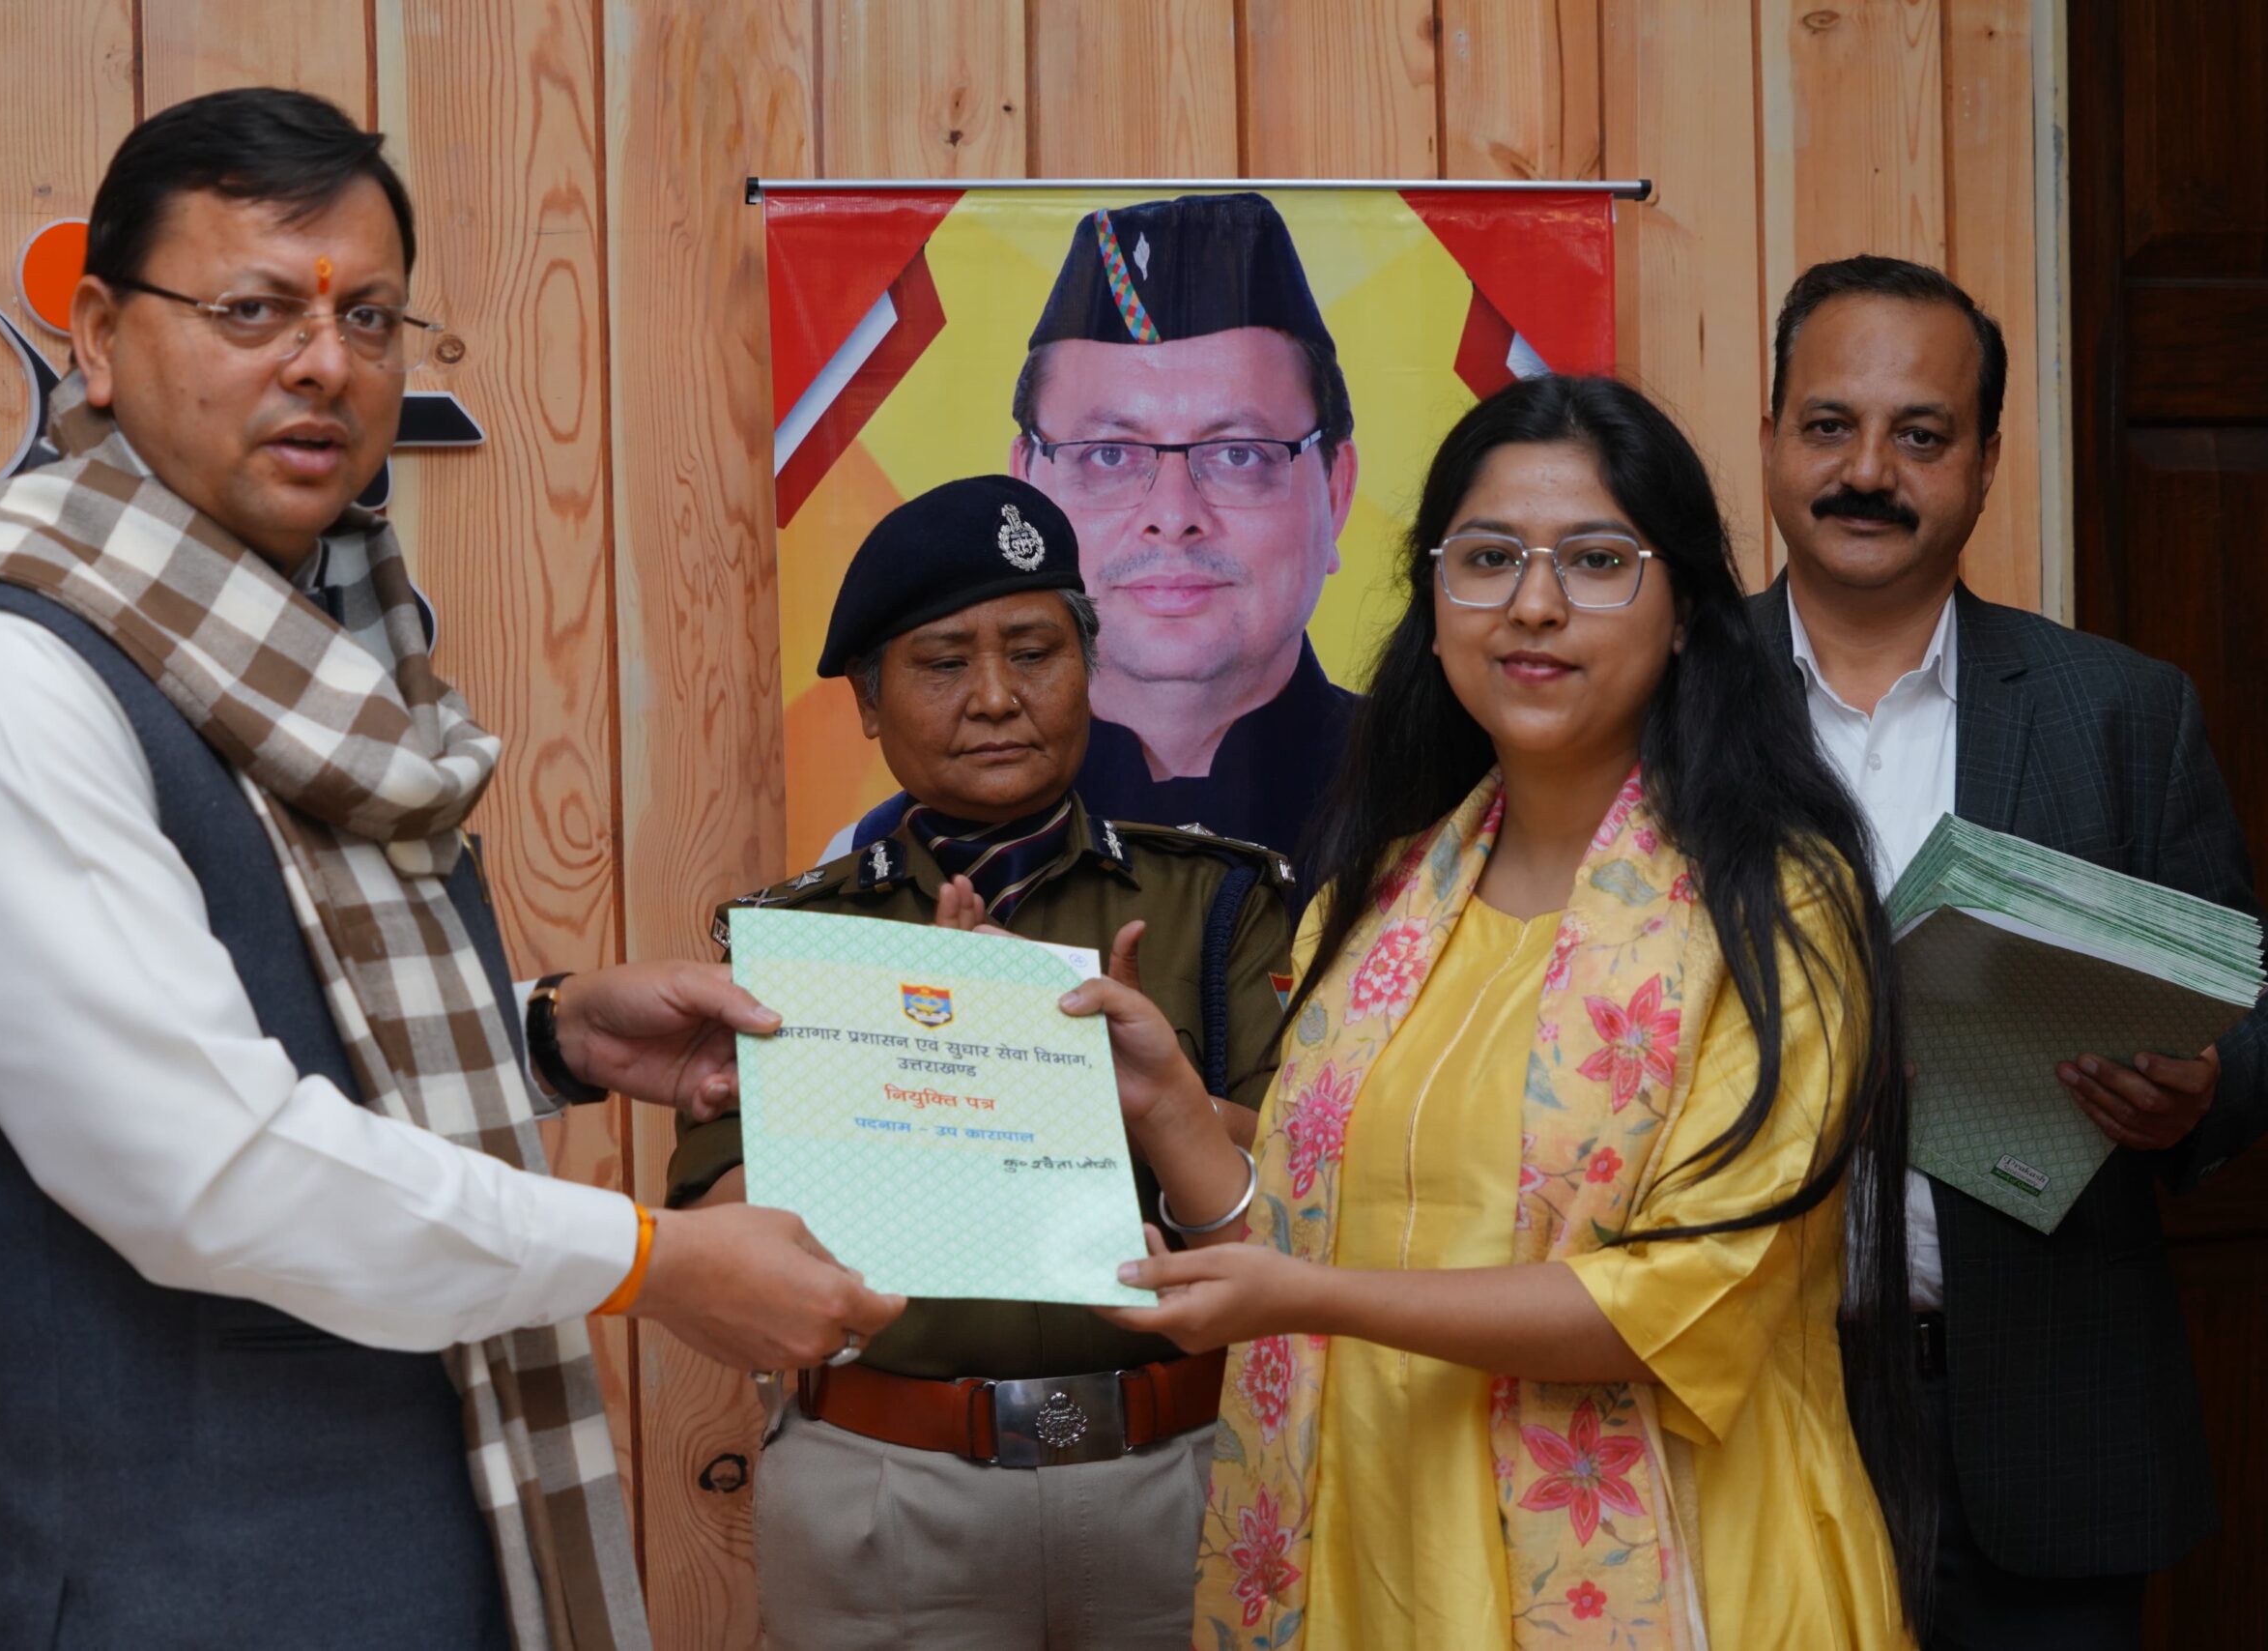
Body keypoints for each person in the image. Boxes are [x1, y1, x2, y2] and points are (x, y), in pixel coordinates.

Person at [0, 88, 902, 1651]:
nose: (326, 362)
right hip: (165, 1593)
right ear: (101, 337)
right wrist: (651, 1258)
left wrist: (545, 1031)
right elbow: (205, 1166)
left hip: (415, 1559)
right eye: (254, 310)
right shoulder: (0, 672)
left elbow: (257, 1004)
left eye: (372, 317)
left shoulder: (292, 633)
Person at [1071, 375, 1936, 1647]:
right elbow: (1302, 1226)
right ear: (1434, 605)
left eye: (1596, 560)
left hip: (1683, 1566)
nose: (1534, 603)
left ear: (1685, 613)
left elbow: (1674, 1304)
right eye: (1486, 558)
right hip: (1379, 1557)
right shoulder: (1379, 895)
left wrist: (1311, 1298)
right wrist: (1173, 1112)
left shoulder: (1774, 910)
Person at [668, 475, 1296, 1651]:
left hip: (1184, 1465)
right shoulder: (800, 941)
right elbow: (718, 1226)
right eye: (944, 662)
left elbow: (1306, 1181)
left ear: (1089, 669)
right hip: (886, 1481)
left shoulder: (1215, 905)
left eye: (1034, 652)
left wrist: (1102, 1083)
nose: (997, 697)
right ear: (868, 702)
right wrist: (929, 1070)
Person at [1755, 254, 2268, 1649]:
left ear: (1986, 463)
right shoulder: (1672, 707)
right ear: (1772, 437)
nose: (1869, 470)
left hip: (2049, 1425)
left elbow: (2248, 1010)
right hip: (1739, 1401)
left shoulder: (2123, 713)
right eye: (1829, 425)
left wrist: (2202, 1091)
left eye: (1920, 434)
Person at [831, 192, 1357, 878]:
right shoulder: (881, 864)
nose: (1173, 514)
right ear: (1029, 484)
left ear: (1336, 491)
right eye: (1109, 455)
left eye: (1239, 453)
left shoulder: (1447, 814)